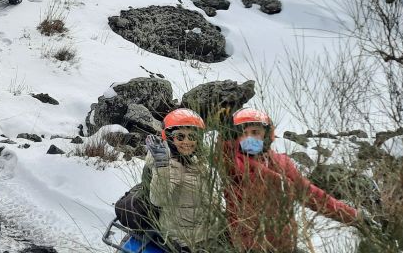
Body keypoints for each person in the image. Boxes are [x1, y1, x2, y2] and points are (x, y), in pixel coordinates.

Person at [223, 108, 360, 253]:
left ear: (267, 135)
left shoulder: (281, 163)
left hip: (284, 246)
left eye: (255, 132)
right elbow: (222, 151)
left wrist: (353, 216)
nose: (249, 138)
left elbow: (312, 195)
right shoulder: (232, 163)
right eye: (244, 134)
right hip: (248, 247)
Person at [145, 109, 227, 252]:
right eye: (180, 136)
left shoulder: (198, 164)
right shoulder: (167, 164)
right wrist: (162, 166)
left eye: (192, 136)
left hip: (208, 235)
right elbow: (158, 199)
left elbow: (212, 203)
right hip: (184, 240)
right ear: (170, 138)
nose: (187, 142)